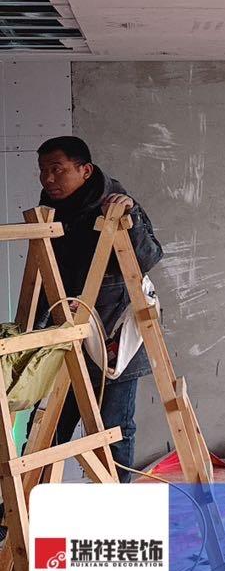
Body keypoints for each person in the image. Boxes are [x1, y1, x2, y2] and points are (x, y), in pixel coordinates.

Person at [33, 136, 164, 474]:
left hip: (113, 335)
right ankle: (27, 500)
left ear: (85, 170)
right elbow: (46, 281)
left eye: (57, 169)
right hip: (64, 337)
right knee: (44, 431)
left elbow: (148, 259)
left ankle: (115, 502)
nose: (48, 179)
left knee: (113, 430)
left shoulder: (117, 205)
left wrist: (129, 218)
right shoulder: (48, 213)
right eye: (43, 170)